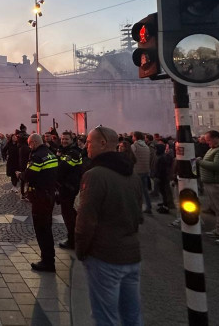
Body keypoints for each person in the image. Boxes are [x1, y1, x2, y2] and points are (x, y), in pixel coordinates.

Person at [75, 126, 143, 326]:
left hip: (105, 256)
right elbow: (137, 215)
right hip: (132, 255)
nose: (86, 146)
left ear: (103, 143)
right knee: (132, 316)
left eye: (89, 142)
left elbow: (86, 220)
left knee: (105, 317)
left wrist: (81, 250)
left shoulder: (95, 175)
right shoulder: (133, 174)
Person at [23, 133, 59, 272]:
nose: (29, 146)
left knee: (42, 229)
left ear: (33, 143)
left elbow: (29, 175)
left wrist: (22, 174)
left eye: (29, 144)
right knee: (47, 228)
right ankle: (49, 258)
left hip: (40, 196)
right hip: (49, 194)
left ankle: (47, 261)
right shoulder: (50, 153)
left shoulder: (37, 157)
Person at [57, 131, 84, 250]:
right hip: (67, 188)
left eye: (66, 139)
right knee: (69, 215)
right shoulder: (66, 151)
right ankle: (73, 239)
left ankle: (72, 241)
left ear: (72, 140)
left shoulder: (73, 153)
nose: (64, 141)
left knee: (69, 216)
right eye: (62, 139)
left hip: (69, 189)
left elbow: (61, 169)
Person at [130, 131, 153, 214]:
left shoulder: (134, 146)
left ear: (135, 137)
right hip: (146, 170)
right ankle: (148, 206)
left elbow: (130, 157)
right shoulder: (146, 146)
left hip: (137, 171)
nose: (132, 138)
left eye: (132, 136)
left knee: (135, 191)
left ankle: (137, 209)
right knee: (145, 190)